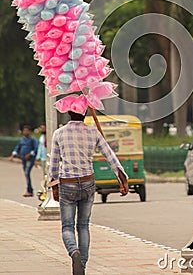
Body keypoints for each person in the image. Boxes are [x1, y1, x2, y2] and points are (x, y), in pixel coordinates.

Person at [49, 110, 129, 275]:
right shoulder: (94, 132)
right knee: (83, 226)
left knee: (67, 227)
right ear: (85, 114)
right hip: (87, 182)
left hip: (67, 183)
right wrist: (122, 178)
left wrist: (53, 186)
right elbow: (110, 156)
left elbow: (54, 164)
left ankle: (74, 252)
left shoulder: (59, 133)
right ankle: (82, 266)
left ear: (69, 114)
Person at [9, 124, 38, 197]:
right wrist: (13, 155)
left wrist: (30, 154)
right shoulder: (21, 139)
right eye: (24, 131)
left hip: (30, 159)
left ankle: (29, 190)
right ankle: (29, 189)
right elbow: (17, 147)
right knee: (26, 173)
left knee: (27, 172)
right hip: (23, 159)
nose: (25, 132)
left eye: (27, 131)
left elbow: (36, 148)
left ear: (30, 132)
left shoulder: (32, 139)